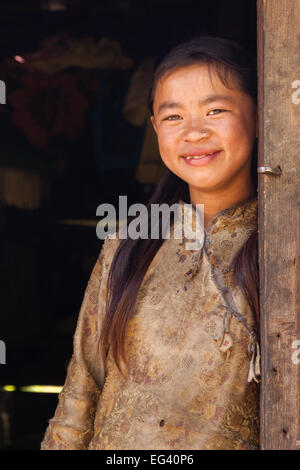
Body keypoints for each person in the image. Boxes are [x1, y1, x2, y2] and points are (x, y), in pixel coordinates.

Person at [41, 36, 261, 450]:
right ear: (155, 127)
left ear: (259, 112)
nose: (194, 132)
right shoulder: (129, 242)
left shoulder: (283, 248)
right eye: (173, 116)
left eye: (216, 110)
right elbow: (80, 394)